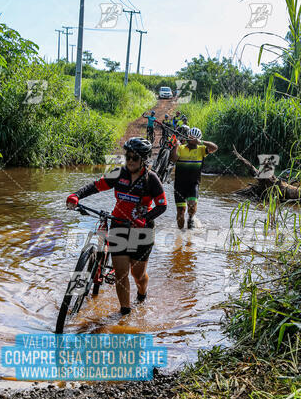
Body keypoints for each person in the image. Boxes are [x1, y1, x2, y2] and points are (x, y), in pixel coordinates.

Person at [66, 138, 167, 315]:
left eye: (134, 157)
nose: (130, 161)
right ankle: (124, 313)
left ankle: (142, 294)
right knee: (121, 275)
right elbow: (96, 186)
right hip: (119, 226)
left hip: (141, 231)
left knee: (138, 275)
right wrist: (76, 195)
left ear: (143, 159)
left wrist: (144, 218)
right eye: (127, 156)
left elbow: (162, 205)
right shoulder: (119, 174)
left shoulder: (152, 179)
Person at [170, 127, 218, 229]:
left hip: (193, 184)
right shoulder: (181, 148)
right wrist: (176, 146)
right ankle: (180, 235)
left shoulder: (201, 150)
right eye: (191, 138)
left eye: (195, 139)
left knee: (192, 206)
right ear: (188, 137)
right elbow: (173, 159)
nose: (193, 141)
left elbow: (214, 147)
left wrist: (201, 142)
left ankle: (191, 218)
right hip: (179, 185)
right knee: (181, 211)